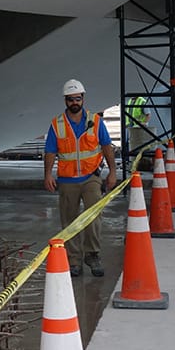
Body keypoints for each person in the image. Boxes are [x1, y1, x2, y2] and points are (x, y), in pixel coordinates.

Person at [43, 79, 116, 277]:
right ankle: (74, 260)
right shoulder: (57, 124)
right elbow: (50, 151)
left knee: (93, 218)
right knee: (69, 222)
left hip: (91, 177)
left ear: (83, 98)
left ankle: (92, 255)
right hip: (67, 181)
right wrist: (48, 174)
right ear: (65, 101)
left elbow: (107, 146)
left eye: (77, 98)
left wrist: (112, 172)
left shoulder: (95, 121)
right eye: (70, 99)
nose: (74, 102)